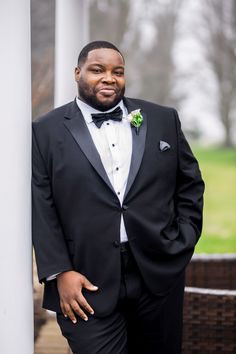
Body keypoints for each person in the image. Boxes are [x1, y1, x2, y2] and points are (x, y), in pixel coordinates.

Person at [32, 40, 204, 354]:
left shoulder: (163, 119)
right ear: (77, 73)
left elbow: (190, 185)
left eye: (118, 71)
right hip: (84, 282)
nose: (109, 78)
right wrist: (60, 271)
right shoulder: (45, 131)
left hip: (157, 275)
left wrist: (183, 239)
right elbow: (41, 203)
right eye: (97, 70)